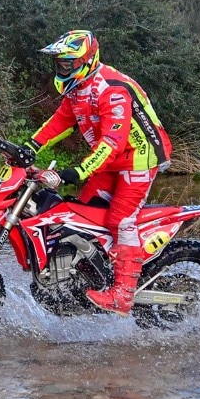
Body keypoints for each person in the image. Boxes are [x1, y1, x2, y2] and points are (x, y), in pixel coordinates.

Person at [25, 30, 172, 315]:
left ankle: (123, 295)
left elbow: (112, 142)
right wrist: (30, 146)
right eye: (60, 64)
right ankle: (89, 276)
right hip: (111, 160)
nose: (62, 68)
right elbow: (61, 121)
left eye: (68, 63)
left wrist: (79, 171)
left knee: (121, 220)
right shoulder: (78, 88)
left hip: (138, 158)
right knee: (83, 213)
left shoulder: (111, 89)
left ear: (87, 59)